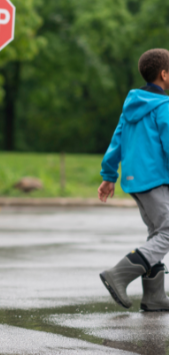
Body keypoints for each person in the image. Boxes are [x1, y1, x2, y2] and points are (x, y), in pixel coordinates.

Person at [98, 48, 169, 312]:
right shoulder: (164, 107)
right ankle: (119, 274)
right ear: (164, 74)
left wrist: (108, 176)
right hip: (156, 179)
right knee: (168, 231)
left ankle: (154, 297)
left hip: (135, 181)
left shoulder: (131, 106)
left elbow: (116, 142)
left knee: (157, 233)